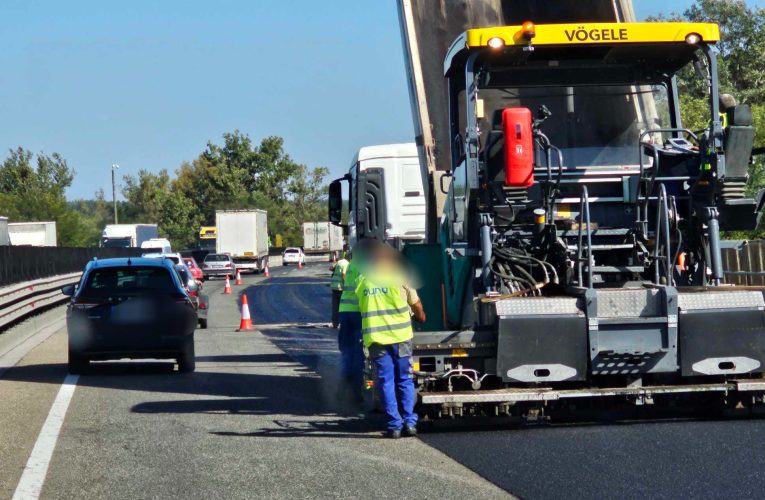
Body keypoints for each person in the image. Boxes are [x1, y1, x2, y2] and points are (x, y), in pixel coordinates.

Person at [355, 242, 426, 439]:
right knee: (404, 379)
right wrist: (421, 315)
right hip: (401, 338)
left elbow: (362, 305)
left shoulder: (364, 280)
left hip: (377, 339)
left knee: (386, 381)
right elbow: (415, 302)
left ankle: (394, 426)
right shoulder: (400, 276)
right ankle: (410, 423)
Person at [337, 250, 364, 402]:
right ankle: (355, 392)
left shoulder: (353, 264)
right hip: (357, 313)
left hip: (345, 311)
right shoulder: (366, 266)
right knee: (358, 352)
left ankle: (342, 389)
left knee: (347, 350)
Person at [329, 251, 349, 328]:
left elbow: (331, 268)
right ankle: (343, 322)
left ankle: (335, 323)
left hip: (334, 287)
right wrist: (346, 284)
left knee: (335, 306)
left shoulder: (340, 262)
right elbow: (344, 274)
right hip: (340, 288)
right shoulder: (346, 264)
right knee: (343, 306)